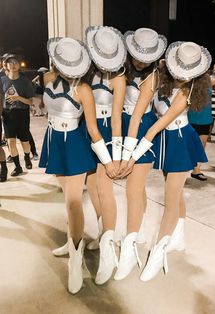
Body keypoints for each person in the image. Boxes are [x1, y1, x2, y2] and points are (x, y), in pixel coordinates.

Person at [121, 41, 211, 281]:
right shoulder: (163, 80)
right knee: (176, 193)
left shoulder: (188, 92)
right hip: (167, 141)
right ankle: (178, 237)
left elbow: (156, 126)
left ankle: (159, 251)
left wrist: (134, 153)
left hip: (180, 140)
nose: (181, 75)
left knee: (170, 196)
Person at [39, 37, 116, 294]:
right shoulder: (48, 78)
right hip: (53, 141)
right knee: (67, 198)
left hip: (72, 143)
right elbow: (45, 105)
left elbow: (93, 129)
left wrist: (109, 161)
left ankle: (76, 260)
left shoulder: (83, 89)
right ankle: (74, 239)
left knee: (73, 200)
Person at [51, 26, 127, 285]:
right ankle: (78, 237)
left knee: (104, 190)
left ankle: (108, 249)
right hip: (81, 132)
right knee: (89, 190)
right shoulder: (82, 73)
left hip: (104, 134)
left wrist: (114, 156)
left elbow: (116, 118)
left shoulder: (118, 79)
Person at [114, 28, 167, 280]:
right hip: (120, 124)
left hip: (140, 128)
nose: (141, 60)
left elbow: (136, 116)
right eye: (137, 54)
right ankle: (141, 229)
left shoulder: (153, 76)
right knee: (138, 188)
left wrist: (127, 155)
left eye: (146, 56)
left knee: (133, 189)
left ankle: (130, 245)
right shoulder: (121, 68)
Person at [1, 54, 34, 176]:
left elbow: (30, 101)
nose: (13, 65)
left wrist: (18, 97)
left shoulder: (25, 81)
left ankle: (27, 156)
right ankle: (18, 167)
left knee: (25, 142)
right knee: (11, 142)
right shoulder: (2, 80)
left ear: (19, 65)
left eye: (15, 62)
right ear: (6, 65)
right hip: (7, 114)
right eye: (10, 62)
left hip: (22, 113)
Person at [188, 74, 213, 180]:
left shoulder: (209, 85)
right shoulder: (190, 85)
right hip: (192, 119)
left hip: (205, 120)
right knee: (192, 145)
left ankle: (196, 170)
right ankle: (191, 167)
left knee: (201, 145)